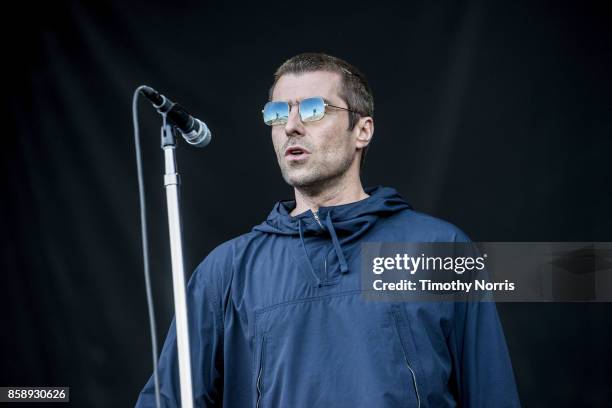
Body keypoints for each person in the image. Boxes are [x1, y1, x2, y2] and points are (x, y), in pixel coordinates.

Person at [135, 52, 520, 407]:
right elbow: (168, 398)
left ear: (362, 130)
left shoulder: (437, 250)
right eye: (278, 113)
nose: (292, 127)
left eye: (314, 110)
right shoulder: (227, 272)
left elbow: (491, 393)